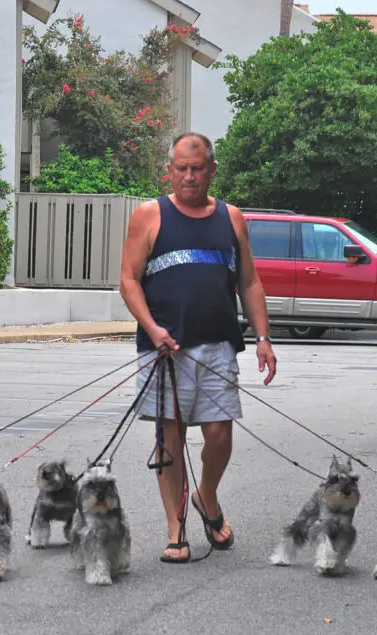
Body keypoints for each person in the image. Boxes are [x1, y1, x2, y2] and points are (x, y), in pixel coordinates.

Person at [118, 132, 277, 563]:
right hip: (163, 349)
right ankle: (176, 527)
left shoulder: (232, 217)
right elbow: (129, 280)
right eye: (181, 169)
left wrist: (263, 338)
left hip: (218, 345)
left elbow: (249, 281)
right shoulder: (149, 216)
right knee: (169, 437)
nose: (189, 177)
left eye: (198, 168)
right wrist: (151, 328)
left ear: (211, 170)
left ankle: (206, 496)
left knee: (219, 433)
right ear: (168, 170)